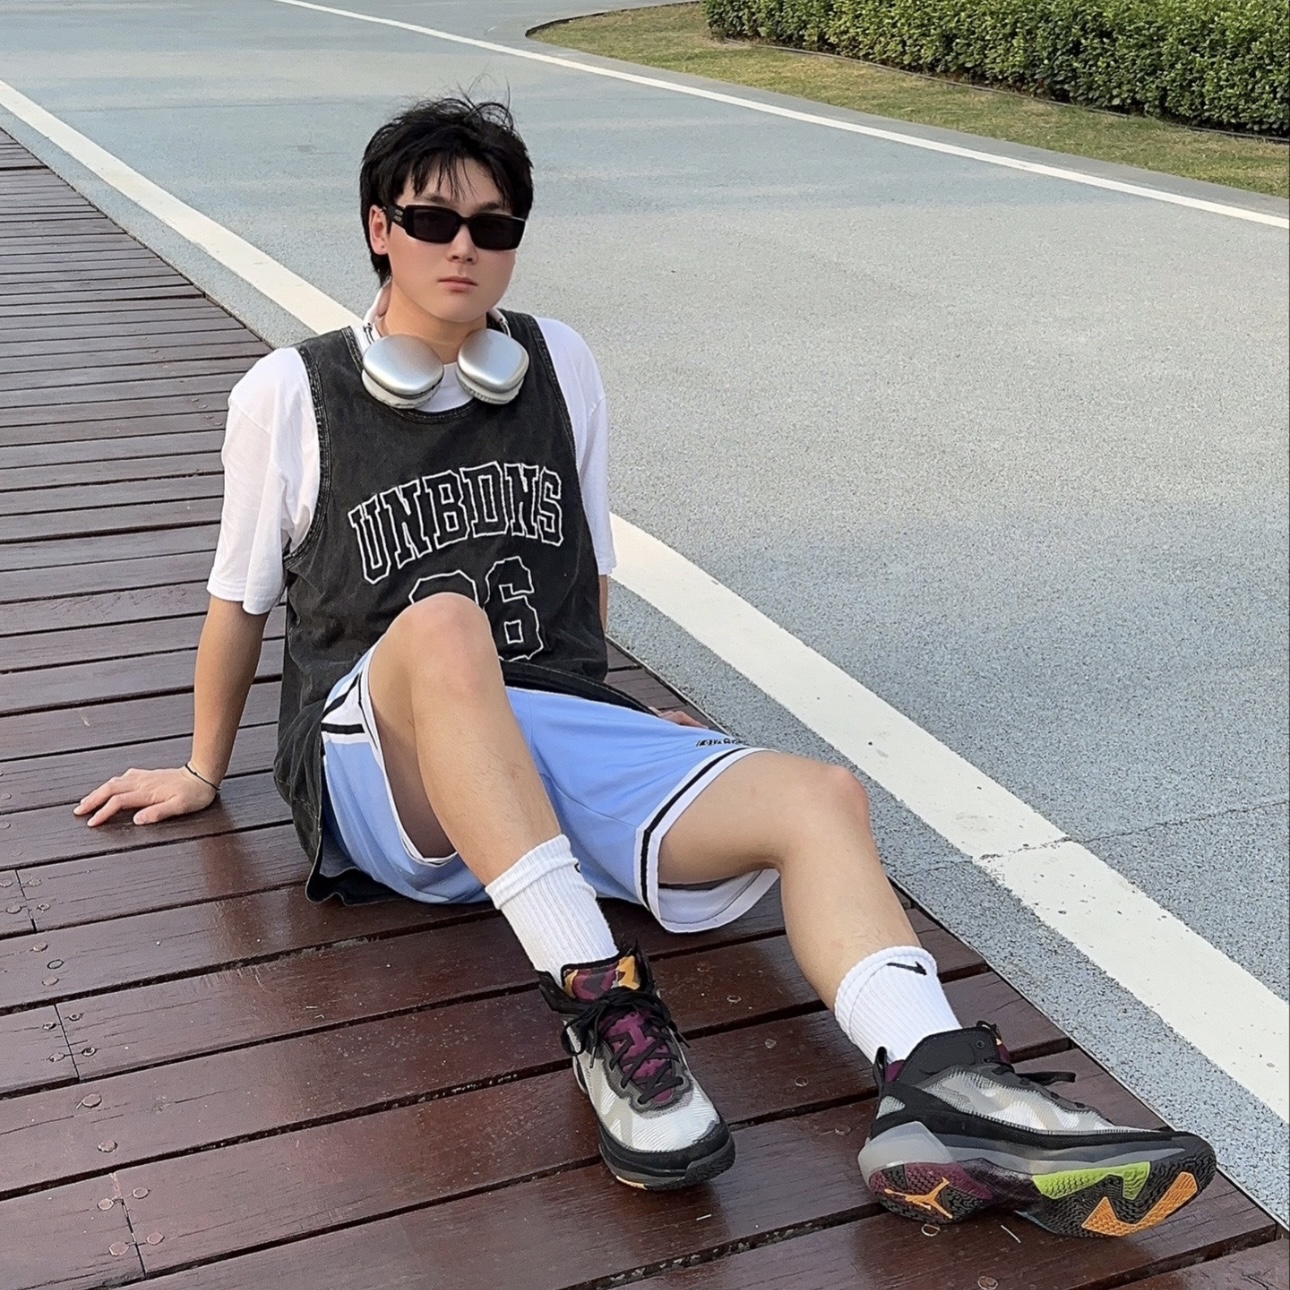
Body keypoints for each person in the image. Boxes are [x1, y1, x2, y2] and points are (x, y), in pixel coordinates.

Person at [75, 96, 1214, 1237]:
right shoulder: (290, 393)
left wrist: (611, 716)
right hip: (382, 772)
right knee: (444, 626)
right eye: (432, 221)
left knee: (819, 797)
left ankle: (943, 1096)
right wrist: (203, 769)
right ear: (380, 228)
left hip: (539, 735)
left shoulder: (560, 363)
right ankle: (603, 1010)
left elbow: (588, 576)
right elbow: (239, 601)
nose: (465, 246)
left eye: (494, 224)